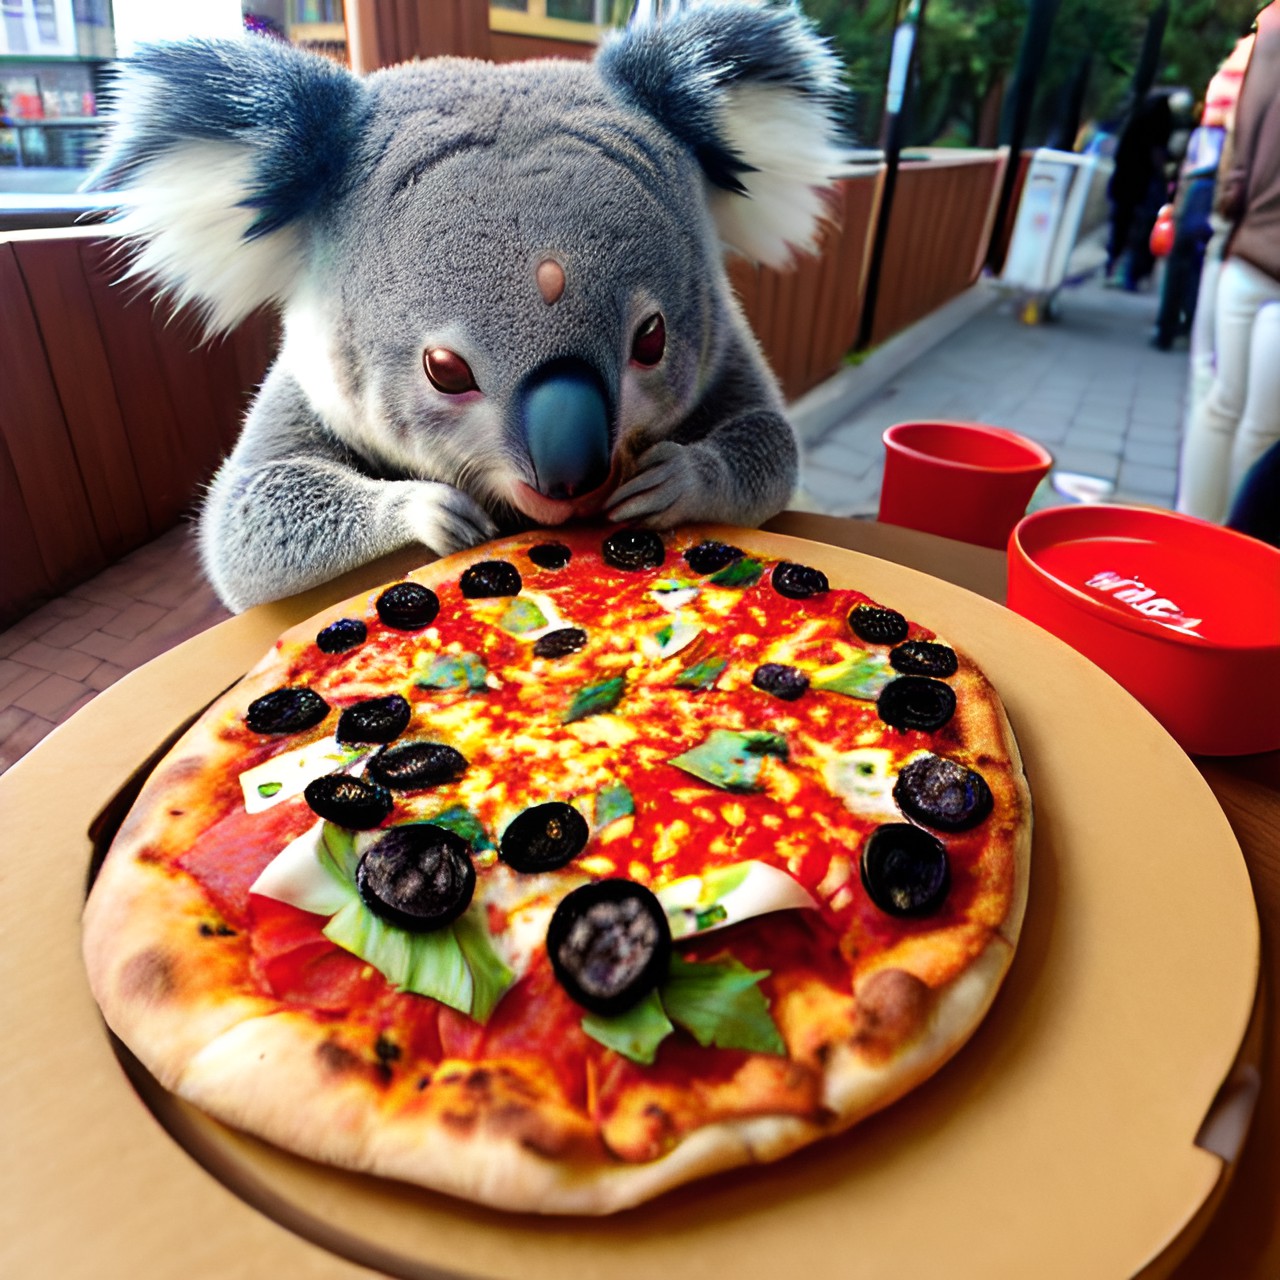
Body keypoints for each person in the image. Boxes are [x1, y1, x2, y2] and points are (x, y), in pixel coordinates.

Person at [1176, 3, 1280, 524]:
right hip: (1258, 245)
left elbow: (1225, 127)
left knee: (1217, 401)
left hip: (1244, 239)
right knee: (1264, 431)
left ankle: (1192, 533)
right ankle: (1235, 554)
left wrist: (1228, 210)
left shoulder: (1268, 28)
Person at [1105, 91, 1173, 290]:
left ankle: (1113, 268)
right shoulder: (1158, 129)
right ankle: (1130, 275)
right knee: (1140, 231)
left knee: (1120, 228)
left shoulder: (1134, 124)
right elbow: (1158, 156)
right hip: (1143, 188)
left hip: (1124, 183)